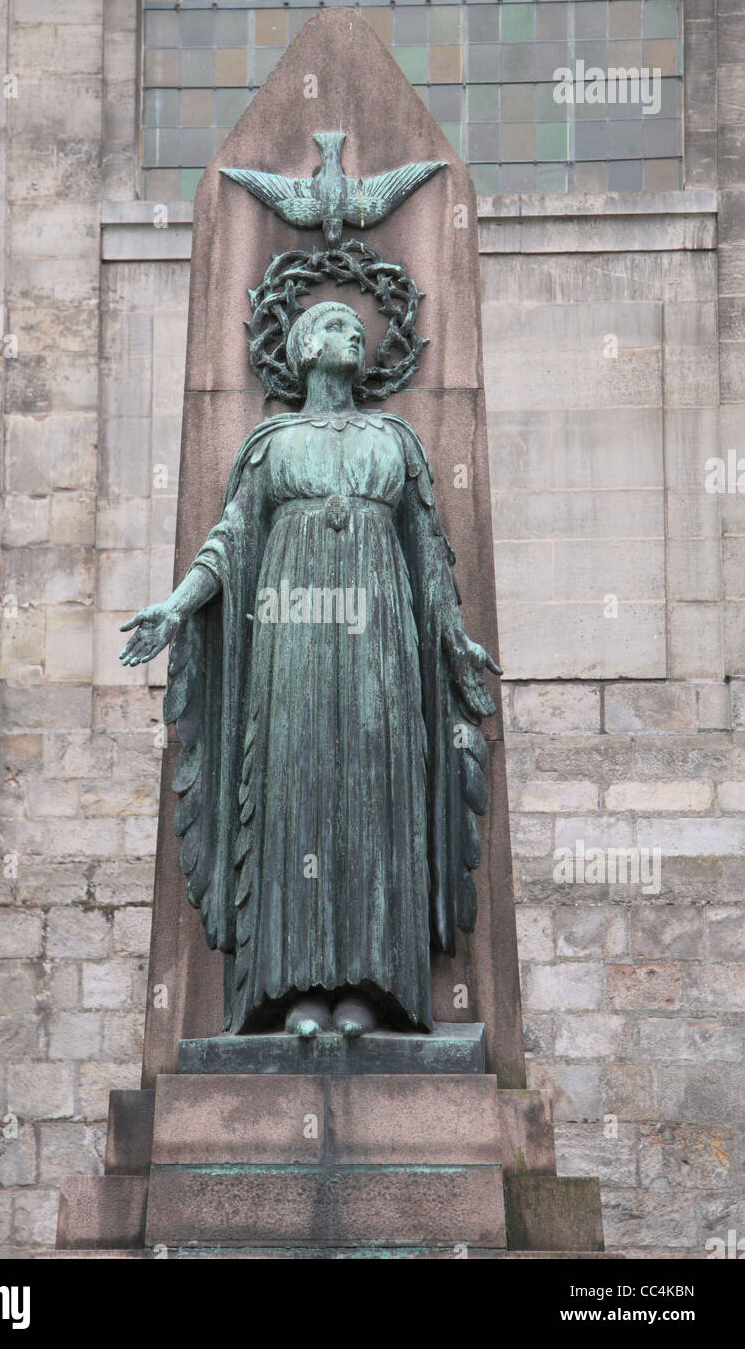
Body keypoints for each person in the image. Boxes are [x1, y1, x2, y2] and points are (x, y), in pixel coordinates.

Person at [120, 302, 500, 1038]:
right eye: (333, 326)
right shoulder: (273, 443)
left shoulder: (395, 440)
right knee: (296, 788)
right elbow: (229, 542)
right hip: (291, 636)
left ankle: (371, 986)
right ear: (300, 348)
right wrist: (176, 605)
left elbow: (428, 554)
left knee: (373, 791)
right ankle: (293, 990)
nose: (351, 334)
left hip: (379, 638)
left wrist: (454, 638)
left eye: (359, 330)